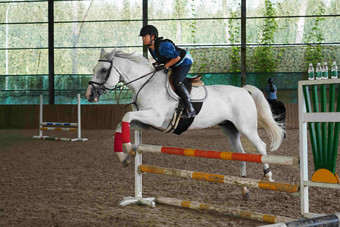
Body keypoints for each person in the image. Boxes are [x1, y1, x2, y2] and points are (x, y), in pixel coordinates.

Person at [139, 25, 196, 118]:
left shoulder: (163, 46)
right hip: (173, 63)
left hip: (184, 62)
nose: (143, 39)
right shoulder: (150, 47)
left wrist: (164, 66)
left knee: (176, 81)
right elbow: (160, 58)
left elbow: (177, 58)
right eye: (142, 37)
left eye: (145, 36)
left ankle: (190, 109)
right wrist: (156, 64)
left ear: (152, 36)